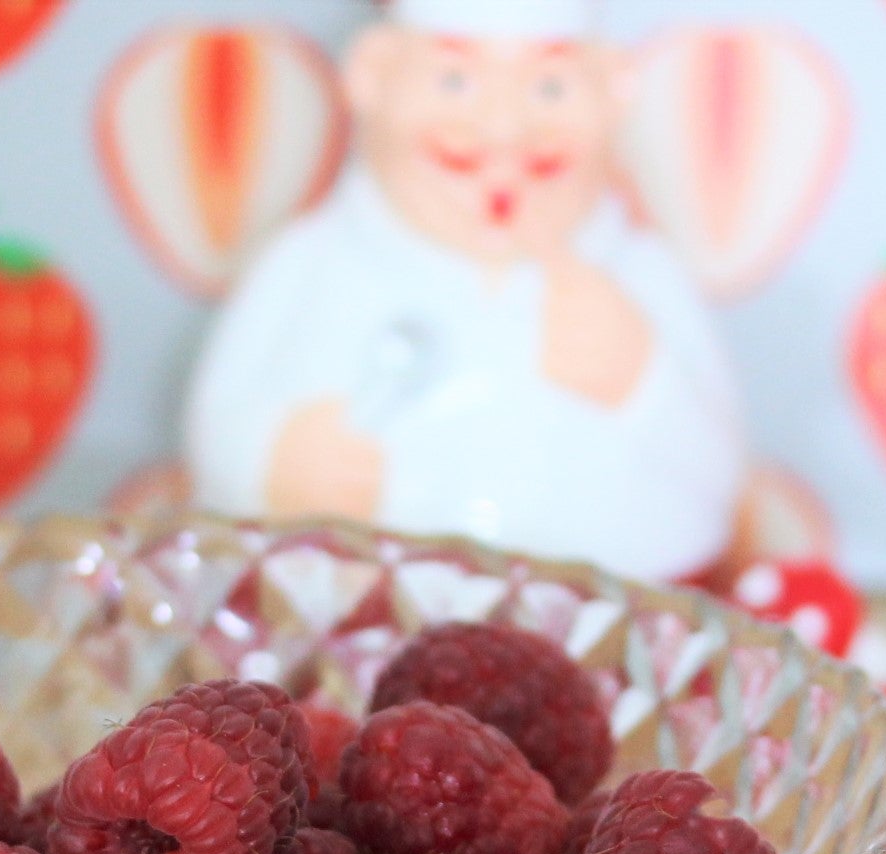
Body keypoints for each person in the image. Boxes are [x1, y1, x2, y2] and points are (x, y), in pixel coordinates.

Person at [184, 0, 745, 583]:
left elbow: (720, 475)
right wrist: (272, 466)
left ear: (611, 92)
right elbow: (216, 429)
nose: (503, 126)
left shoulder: (641, 278)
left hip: (609, 635)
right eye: (455, 80)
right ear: (373, 75)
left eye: (549, 88)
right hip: (358, 630)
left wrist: (644, 386)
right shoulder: (308, 263)